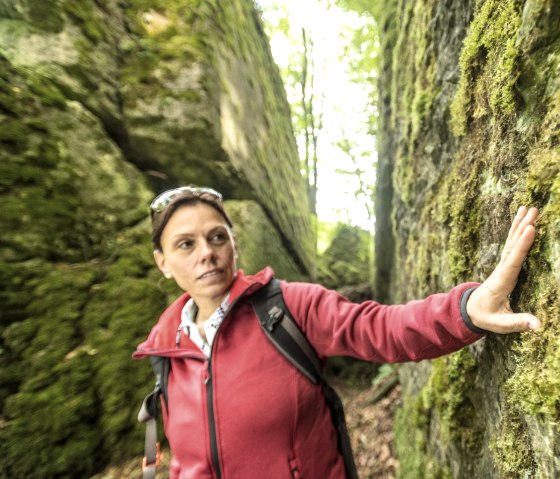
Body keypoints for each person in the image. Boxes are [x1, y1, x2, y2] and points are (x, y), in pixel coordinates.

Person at [134, 185, 540, 479]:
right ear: (163, 262)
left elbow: (382, 328)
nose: (207, 251)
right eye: (185, 244)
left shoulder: (287, 307)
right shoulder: (165, 352)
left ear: (234, 245)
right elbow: (187, 463)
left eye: (217, 236)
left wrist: (467, 308)